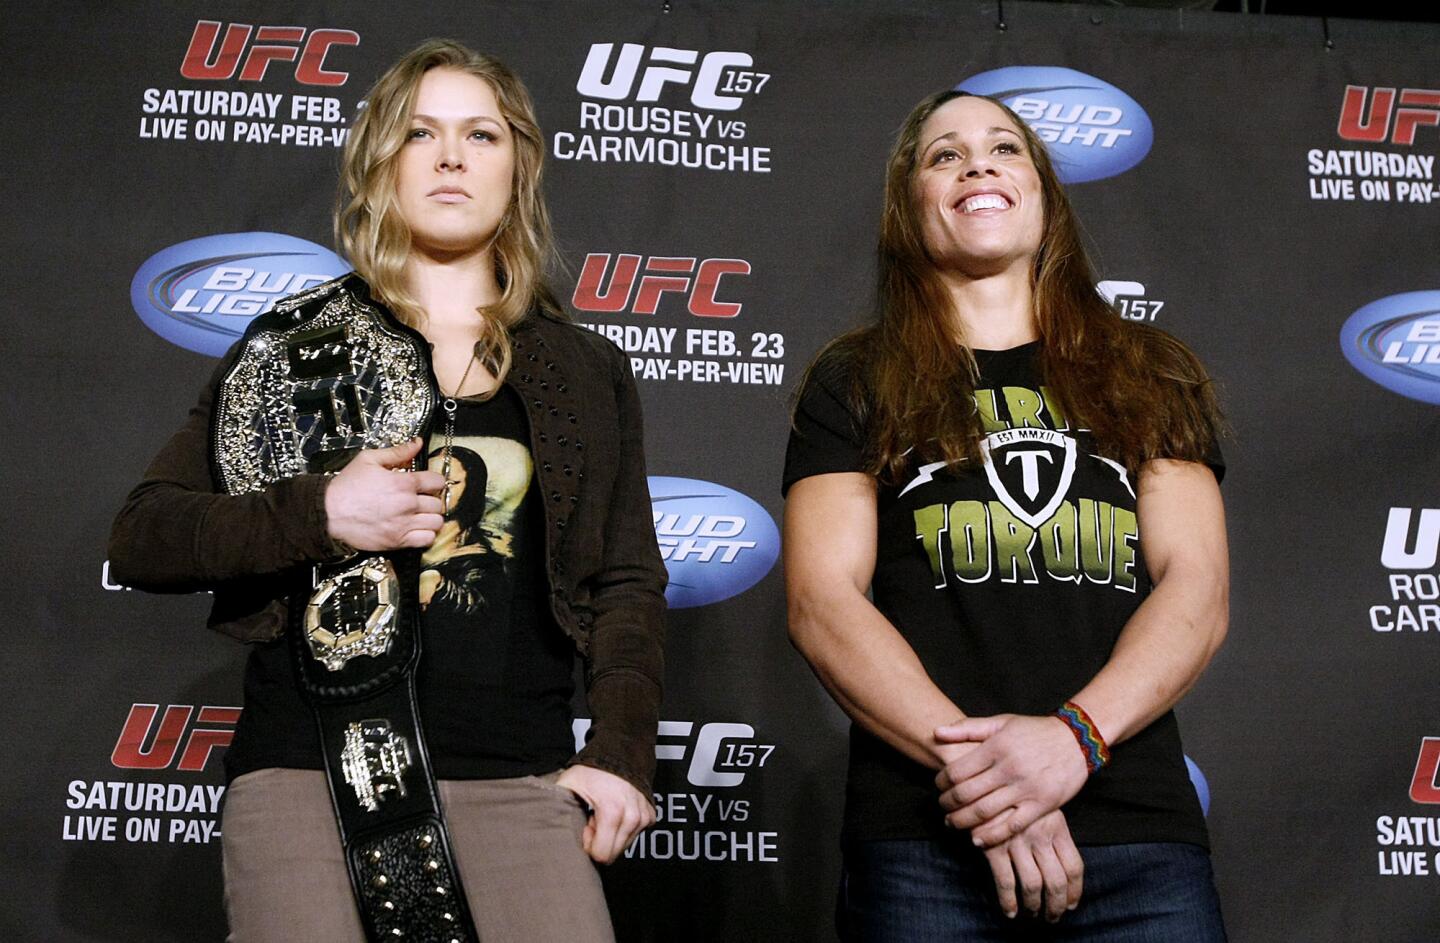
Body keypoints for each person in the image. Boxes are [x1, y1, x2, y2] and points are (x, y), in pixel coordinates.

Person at [109, 39, 665, 942]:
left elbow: (628, 581)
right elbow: (144, 535)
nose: (451, 156)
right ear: (380, 163)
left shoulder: (585, 368)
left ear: (518, 165)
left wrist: (621, 753)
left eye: (481, 134)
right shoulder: (291, 345)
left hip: (516, 777)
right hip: (308, 777)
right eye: (420, 133)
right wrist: (321, 512)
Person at [782, 89, 1229, 941]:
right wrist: (998, 783)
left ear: (1044, 194)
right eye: (943, 155)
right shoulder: (855, 379)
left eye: (1004, 148)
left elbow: (1196, 587)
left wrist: (1073, 742)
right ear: (910, 207)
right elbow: (822, 602)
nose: (976, 162)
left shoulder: (1149, 370)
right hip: (923, 839)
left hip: (1133, 836)